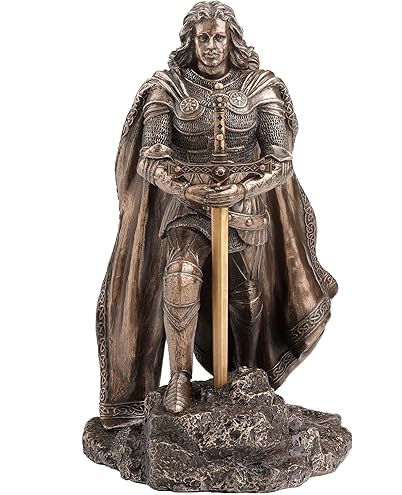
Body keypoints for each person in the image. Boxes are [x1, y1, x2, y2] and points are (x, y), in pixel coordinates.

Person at [96, 1, 337, 429]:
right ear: (191, 42)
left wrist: (241, 188)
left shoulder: (259, 87)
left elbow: (280, 160)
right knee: (180, 274)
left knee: (247, 290)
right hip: (187, 206)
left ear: (231, 41)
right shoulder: (169, 89)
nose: (211, 46)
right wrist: (190, 188)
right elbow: (150, 159)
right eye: (203, 37)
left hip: (246, 206)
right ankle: (180, 378)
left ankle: (247, 371)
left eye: (218, 37)